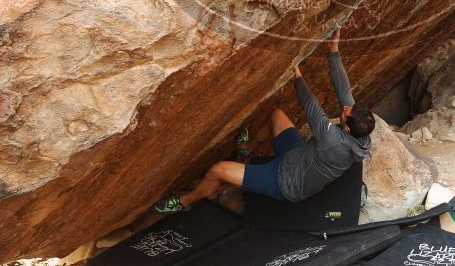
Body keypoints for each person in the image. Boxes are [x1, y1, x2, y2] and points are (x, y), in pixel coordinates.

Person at [153, 27, 375, 213]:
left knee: (217, 170)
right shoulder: (360, 133)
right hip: (296, 157)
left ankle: (185, 202)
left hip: (284, 182)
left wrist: (295, 69)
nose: (346, 108)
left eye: (346, 112)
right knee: (276, 116)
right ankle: (247, 150)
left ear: (345, 128)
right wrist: (334, 49)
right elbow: (344, 91)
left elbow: (311, 105)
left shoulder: (332, 140)